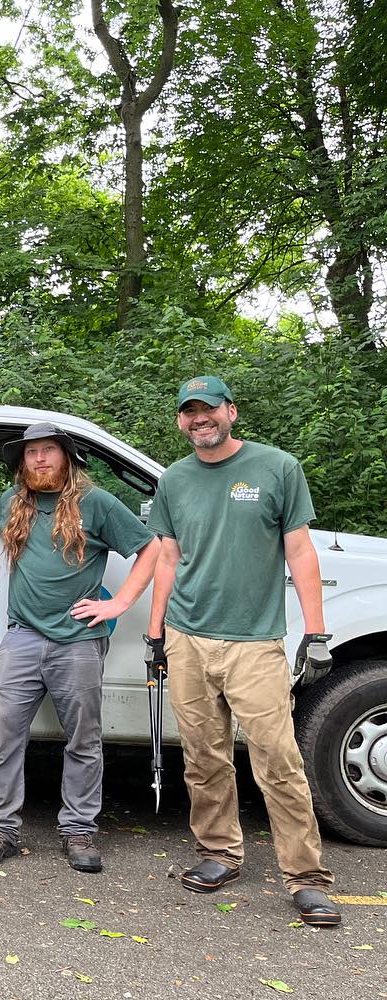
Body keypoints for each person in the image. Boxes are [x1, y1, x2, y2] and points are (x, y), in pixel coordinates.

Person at [145, 376, 340, 927]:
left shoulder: (277, 468)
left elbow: (300, 552)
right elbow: (167, 558)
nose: (199, 419)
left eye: (208, 410)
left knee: (278, 760)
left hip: (254, 643)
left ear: (231, 412)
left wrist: (317, 633)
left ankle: (306, 878)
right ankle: (218, 853)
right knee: (204, 758)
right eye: (189, 412)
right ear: (181, 421)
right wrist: (156, 634)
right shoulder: (174, 481)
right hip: (187, 639)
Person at [0, 423, 160, 874]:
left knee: (84, 741)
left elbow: (152, 548)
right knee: (4, 735)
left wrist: (120, 603)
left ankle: (78, 830)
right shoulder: (15, 503)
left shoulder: (98, 504)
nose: (40, 459)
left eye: (49, 451)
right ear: (22, 463)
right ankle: (0, 829)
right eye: (31, 453)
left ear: (66, 458)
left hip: (79, 641)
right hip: (22, 636)